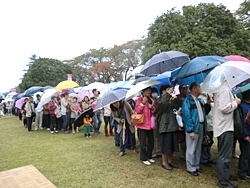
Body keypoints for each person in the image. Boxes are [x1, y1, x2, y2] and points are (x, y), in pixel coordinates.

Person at [213, 81, 241, 188]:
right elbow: (224, 108)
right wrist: (235, 103)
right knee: (224, 156)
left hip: (225, 126)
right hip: (225, 127)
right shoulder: (224, 89)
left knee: (224, 154)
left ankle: (225, 175)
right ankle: (223, 181)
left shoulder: (224, 88)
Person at [182, 82, 211, 176]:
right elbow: (187, 116)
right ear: (194, 89)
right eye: (199, 87)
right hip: (194, 128)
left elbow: (204, 113)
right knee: (191, 148)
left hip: (201, 126)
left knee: (198, 148)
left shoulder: (200, 101)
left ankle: (196, 165)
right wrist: (190, 130)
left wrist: (208, 104)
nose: (200, 88)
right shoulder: (187, 101)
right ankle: (190, 167)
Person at [157, 85, 180, 170]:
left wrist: (176, 98)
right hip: (165, 126)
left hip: (173, 124)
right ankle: (164, 162)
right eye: (167, 89)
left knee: (172, 145)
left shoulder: (171, 98)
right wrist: (168, 94)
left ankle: (170, 161)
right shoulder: (159, 99)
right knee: (165, 145)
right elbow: (161, 106)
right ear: (163, 91)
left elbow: (177, 106)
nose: (170, 90)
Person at [135, 87, 156, 165]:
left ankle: (149, 156)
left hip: (150, 124)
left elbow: (154, 111)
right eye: (146, 90)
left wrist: (152, 108)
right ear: (143, 91)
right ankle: (143, 158)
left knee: (151, 141)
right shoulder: (139, 99)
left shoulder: (152, 100)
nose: (148, 91)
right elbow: (137, 110)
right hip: (142, 124)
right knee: (143, 143)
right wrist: (143, 103)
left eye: (149, 90)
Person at [238, 89, 250, 181]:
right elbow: (242, 122)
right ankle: (242, 172)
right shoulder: (242, 106)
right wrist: (245, 135)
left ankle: (248, 171)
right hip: (246, 134)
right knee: (245, 154)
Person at [200, 93, 215, 166]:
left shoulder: (211, 97)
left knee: (209, 142)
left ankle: (208, 157)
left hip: (212, 123)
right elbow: (204, 111)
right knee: (205, 142)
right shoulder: (201, 98)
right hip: (206, 123)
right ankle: (204, 158)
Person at [176, 84, 188, 161]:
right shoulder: (177, 98)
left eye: (186, 89)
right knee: (182, 138)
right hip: (180, 120)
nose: (185, 91)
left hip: (187, 119)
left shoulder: (188, 98)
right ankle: (182, 153)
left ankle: (187, 153)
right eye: (183, 89)